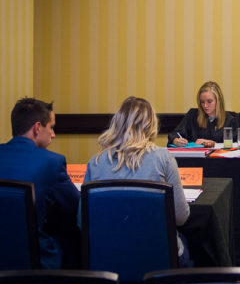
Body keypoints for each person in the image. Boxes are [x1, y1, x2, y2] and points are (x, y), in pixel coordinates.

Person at [83, 96, 191, 266]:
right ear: (151, 124)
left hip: (107, 256)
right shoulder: (164, 158)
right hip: (157, 255)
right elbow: (181, 217)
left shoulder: (95, 163)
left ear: (117, 123)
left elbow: (82, 220)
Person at [0, 98, 80, 269]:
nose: (53, 134)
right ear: (37, 128)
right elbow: (76, 205)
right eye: (51, 127)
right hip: (35, 259)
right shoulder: (52, 162)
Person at [168, 81, 238, 147]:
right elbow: (175, 134)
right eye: (202, 102)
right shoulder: (193, 115)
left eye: (209, 101)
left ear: (218, 101)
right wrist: (176, 140)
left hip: (219, 159)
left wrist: (213, 144)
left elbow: (235, 145)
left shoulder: (230, 120)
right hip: (195, 158)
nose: (205, 106)